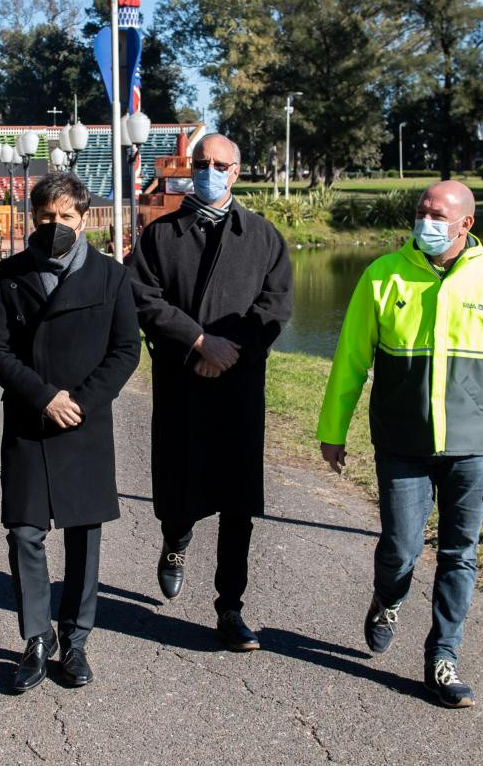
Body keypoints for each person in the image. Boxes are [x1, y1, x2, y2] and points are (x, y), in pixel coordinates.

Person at [316, 180, 483, 709]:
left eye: (438, 215)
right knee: (400, 549)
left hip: (470, 448)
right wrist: (333, 429)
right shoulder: (383, 275)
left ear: (467, 224)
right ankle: (386, 599)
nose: (426, 222)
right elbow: (351, 358)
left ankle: (444, 657)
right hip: (402, 443)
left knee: (460, 555)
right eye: (421, 212)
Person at [127, 133, 292, 651]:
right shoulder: (160, 234)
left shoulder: (263, 237)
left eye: (220, 163)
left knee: (236, 502)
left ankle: (231, 607)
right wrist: (198, 341)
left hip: (238, 389)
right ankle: (175, 541)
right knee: (179, 489)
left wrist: (229, 350)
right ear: (189, 168)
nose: (210, 170)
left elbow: (275, 306)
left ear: (237, 172)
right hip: (181, 382)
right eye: (202, 162)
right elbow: (140, 296)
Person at [0, 172, 140, 692]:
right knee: (24, 533)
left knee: (83, 535)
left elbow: (125, 352)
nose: (56, 225)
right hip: (29, 420)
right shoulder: (7, 275)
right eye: (46, 216)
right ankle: (35, 639)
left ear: (85, 218)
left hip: (84, 425)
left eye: (66, 216)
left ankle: (76, 642)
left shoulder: (112, 278)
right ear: (33, 217)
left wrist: (81, 401)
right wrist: (43, 395)